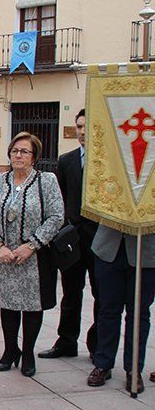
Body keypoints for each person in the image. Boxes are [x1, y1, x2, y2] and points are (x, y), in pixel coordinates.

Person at [0, 133, 64, 377]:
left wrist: (32, 245)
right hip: (6, 255)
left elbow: (56, 216)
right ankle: (10, 350)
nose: (18, 155)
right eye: (15, 150)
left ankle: (27, 352)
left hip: (34, 257)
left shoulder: (46, 181)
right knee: (7, 305)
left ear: (34, 157)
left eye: (24, 151)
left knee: (31, 306)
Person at [39, 109, 100, 361]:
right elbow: (59, 198)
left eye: (87, 127)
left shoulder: (107, 161)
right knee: (71, 293)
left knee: (102, 295)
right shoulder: (67, 160)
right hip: (73, 240)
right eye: (79, 127)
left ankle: (98, 346)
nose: (83, 132)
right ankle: (66, 342)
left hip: (100, 240)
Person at [86, 225, 155, 393]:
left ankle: (134, 369)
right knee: (108, 310)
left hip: (145, 250)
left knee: (139, 313)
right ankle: (103, 364)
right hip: (109, 248)